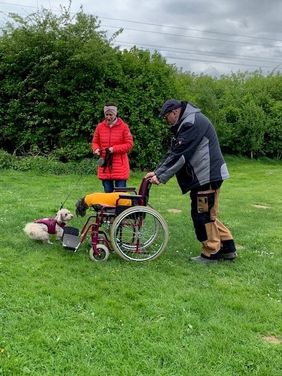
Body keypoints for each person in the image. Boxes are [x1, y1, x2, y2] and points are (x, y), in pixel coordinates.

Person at [145, 99, 236, 264]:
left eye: (166, 117)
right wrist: (157, 171)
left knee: (202, 215)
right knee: (208, 213)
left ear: (174, 112)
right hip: (207, 175)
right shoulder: (187, 122)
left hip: (206, 175)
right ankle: (228, 248)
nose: (166, 121)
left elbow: (181, 155)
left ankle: (210, 253)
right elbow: (173, 152)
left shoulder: (191, 123)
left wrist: (161, 177)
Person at [92, 102, 133, 193]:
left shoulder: (124, 127)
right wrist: (96, 149)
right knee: (108, 195)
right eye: (106, 114)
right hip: (105, 166)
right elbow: (95, 142)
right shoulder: (99, 127)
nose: (108, 117)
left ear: (115, 114)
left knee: (121, 196)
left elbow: (129, 144)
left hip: (120, 167)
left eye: (111, 114)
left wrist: (113, 149)